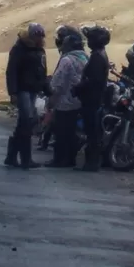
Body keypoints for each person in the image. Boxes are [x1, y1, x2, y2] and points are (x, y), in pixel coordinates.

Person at [4, 22, 47, 169]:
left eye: (41, 36)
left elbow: (42, 72)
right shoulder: (19, 49)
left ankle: (12, 157)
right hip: (22, 90)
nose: (40, 39)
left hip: (33, 91)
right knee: (27, 121)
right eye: (37, 36)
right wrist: (13, 92)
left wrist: (48, 90)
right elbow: (12, 71)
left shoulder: (40, 50)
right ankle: (25, 159)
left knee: (25, 123)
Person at [46, 25, 87, 168]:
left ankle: (59, 160)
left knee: (61, 132)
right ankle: (70, 159)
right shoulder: (85, 58)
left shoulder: (67, 60)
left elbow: (57, 84)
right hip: (80, 101)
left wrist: (51, 100)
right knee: (71, 132)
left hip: (65, 101)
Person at [77, 25, 112, 171]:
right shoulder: (100, 54)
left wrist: (79, 87)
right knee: (93, 130)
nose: (88, 41)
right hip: (94, 98)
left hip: (92, 99)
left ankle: (91, 162)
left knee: (92, 131)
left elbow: (93, 80)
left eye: (90, 38)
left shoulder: (97, 57)